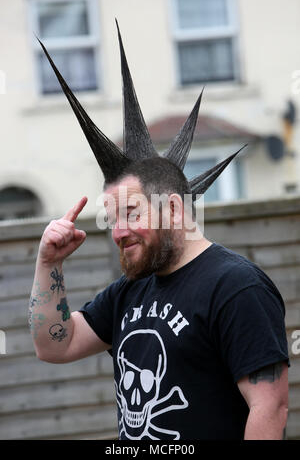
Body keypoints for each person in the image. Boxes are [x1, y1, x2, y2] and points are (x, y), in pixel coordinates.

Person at [29, 23, 289, 440]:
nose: (118, 232)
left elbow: (270, 408)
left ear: (172, 208)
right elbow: (53, 346)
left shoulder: (236, 286)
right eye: (112, 218)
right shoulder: (129, 292)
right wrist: (48, 264)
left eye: (130, 213)